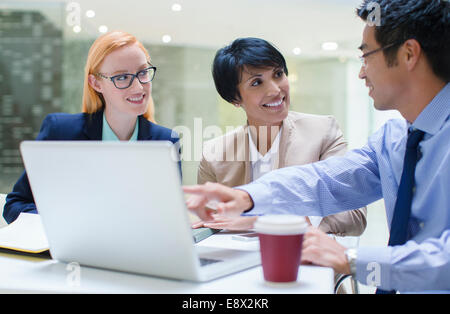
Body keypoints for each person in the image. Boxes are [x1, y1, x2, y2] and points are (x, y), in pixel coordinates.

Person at [184, 0, 450, 293]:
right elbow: (324, 180)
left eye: (366, 56)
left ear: (408, 54)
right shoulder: (393, 140)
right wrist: (247, 197)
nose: (362, 73)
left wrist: (350, 259)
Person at [193, 37, 366, 237]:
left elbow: (355, 214)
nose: (275, 90)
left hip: (303, 256)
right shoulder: (214, 154)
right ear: (234, 98)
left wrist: (260, 221)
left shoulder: (323, 132)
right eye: (257, 82)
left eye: (278, 74)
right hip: (237, 262)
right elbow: (211, 222)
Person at [3, 31, 179, 224]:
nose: (138, 87)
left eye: (143, 73)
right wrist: (64, 225)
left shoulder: (166, 142)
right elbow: (16, 204)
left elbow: (168, 218)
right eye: (121, 77)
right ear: (96, 83)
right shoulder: (61, 132)